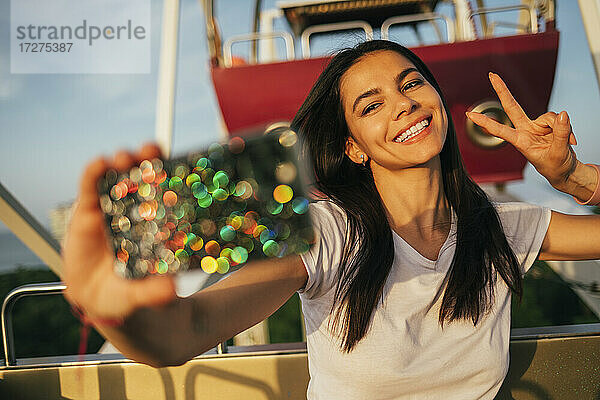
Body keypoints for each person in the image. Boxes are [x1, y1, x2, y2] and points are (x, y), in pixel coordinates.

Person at [62, 40, 600, 399]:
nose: (403, 105)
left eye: (411, 85)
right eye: (371, 105)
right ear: (355, 148)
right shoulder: (325, 233)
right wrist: (114, 312)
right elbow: (187, 331)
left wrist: (574, 176)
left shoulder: (500, 227)